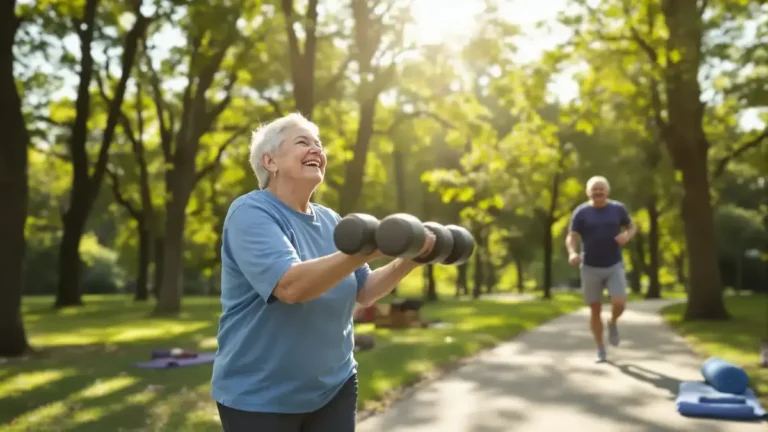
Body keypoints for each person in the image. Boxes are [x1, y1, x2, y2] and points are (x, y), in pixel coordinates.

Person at [210, 112, 436, 432]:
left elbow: (365, 290)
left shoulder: (331, 220)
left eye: (319, 144)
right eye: (303, 142)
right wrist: (364, 251)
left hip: (335, 388)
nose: (317, 149)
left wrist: (412, 258)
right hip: (260, 398)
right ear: (270, 161)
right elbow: (290, 287)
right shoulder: (251, 212)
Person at [565, 176, 636, 362]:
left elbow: (631, 226)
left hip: (614, 264)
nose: (598, 192)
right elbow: (572, 237)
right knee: (595, 309)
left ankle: (612, 321)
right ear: (588, 192)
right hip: (590, 266)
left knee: (619, 302)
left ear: (607, 191)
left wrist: (627, 235)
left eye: (601, 189)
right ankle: (600, 348)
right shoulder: (581, 212)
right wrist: (572, 252)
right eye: (594, 189)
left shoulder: (617, 209)